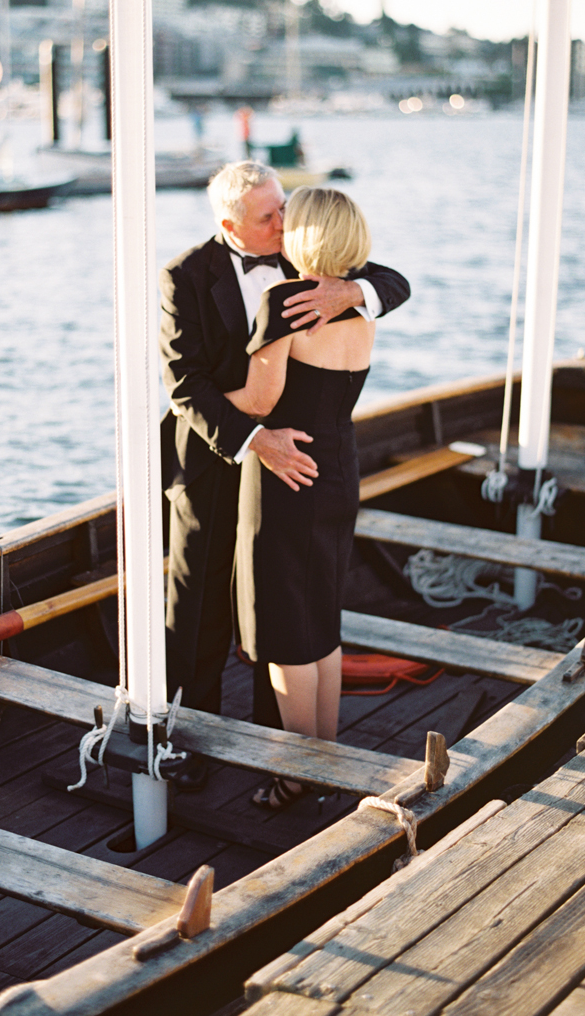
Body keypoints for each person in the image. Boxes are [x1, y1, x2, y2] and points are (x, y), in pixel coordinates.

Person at [159, 161, 409, 789]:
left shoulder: (335, 287)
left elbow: (394, 282)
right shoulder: (182, 277)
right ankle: (191, 745)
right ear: (230, 225)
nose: (284, 221)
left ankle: (286, 760)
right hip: (217, 460)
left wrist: (346, 291)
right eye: (269, 216)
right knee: (199, 612)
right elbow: (184, 385)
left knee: (285, 618)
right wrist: (252, 441)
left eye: (286, 209)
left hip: (288, 469)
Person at [226, 187, 374, 809]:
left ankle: (296, 774)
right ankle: (325, 760)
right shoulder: (361, 314)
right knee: (322, 624)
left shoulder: (282, 302)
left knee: (287, 635)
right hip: (339, 474)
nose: (281, 223)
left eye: (292, 218)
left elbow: (259, 403)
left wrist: (203, 398)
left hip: (285, 483)